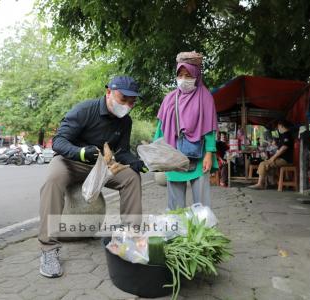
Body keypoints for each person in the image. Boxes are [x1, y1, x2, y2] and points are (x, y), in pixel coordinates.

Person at [38, 76, 147, 278]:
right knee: (52, 181)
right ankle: (48, 249)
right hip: (70, 161)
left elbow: (121, 151)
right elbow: (59, 141)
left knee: (132, 177)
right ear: (109, 93)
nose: (127, 105)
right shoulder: (84, 110)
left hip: (102, 165)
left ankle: (130, 239)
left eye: (132, 101)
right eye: (123, 98)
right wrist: (80, 152)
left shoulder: (125, 121)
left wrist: (134, 161)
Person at [155, 51, 218, 210]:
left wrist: (209, 154)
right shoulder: (169, 98)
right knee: (175, 206)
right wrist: (158, 151)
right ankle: (176, 233)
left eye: (188, 75)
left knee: (202, 204)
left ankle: (202, 233)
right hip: (174, 156)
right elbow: (161, 128)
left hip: (199, 157)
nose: (183, 80)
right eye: (180, 75)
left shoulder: (205, 97)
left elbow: (209, 128)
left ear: (196, 75)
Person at [248, 119, 294, 189]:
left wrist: (273, 157)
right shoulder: (284, 135)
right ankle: (272, 183)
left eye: (278, 127)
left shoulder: (287, 135)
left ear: (281, 126)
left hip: (285, 160)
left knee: (263, 164)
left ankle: (260, 184)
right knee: (267, 165)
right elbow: (280, 147)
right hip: (282, 158)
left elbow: (284, 148)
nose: (278, 129)